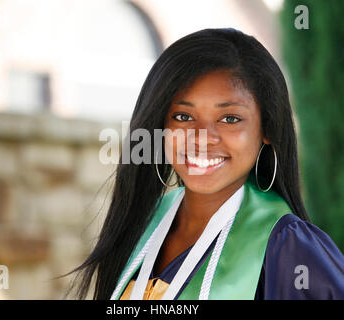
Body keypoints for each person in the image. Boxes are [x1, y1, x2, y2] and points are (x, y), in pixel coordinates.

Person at [68, 28, 344, 300]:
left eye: (230, 119)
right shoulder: (145, 224)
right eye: (183, 117)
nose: (202, 139)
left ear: (267, 129)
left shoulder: (288, 247)